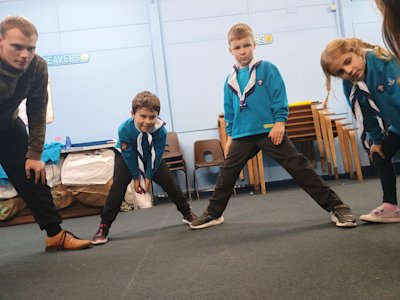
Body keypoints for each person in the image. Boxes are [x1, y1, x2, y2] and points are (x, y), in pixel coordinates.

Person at [190, 23, 357, 230]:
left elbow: (279, 97)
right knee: (227, 175)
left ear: (254, 44)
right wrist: (231, 137)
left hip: (270, 131)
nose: (243, 51)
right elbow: (230, 111)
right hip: (242, 135)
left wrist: (280, 122)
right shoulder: (230, 80)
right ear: (230, 50)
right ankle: (213, 214)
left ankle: (338, 206)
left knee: (299, 167)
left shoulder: (267, 69)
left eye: (247, 45)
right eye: (237, 47)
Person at [0, 16, 91, 251]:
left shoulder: (37, 67)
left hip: (8, 126)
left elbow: (37, 111)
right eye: (17, 47)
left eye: (30, 48)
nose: (24, 55)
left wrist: (34, 153)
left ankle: (55, 235)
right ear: (1, 41)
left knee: (34, 175)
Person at [91, 91, 197, 245]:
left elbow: (157, 155)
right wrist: (136, 178)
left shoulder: (161, 131)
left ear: (157, 116)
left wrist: (148, 178)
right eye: (143, 116)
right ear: (132, 114)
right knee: (117, 188)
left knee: (170, 182)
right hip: (127, 156)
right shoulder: (124, 129)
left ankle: (187, 213)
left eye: (152, 117)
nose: (147, 121)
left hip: (151, 157)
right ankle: (104, 226)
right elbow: (129, 155)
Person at [321, 37, 400, 223]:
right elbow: (365, 115)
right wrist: (377, 141)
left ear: (356, 50)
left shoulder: (381, 61)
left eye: (348, 62)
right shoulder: (351, 84)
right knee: (380, 154)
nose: (348, 71)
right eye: (340, 71)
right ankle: (390, 207)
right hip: (397, 127)